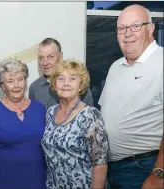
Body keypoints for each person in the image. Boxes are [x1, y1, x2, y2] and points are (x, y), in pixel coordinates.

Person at [99, 4, 163, 189]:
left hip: (144, 168)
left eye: (135, 26)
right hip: (113, 169)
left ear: (150, 29)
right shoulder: (115, 67)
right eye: (121, 28)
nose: (127, 34)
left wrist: (158, 176)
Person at [41, 60, 110, 189]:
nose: (66, 83)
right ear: (54, 85)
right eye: (61, 79)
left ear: (81, 86)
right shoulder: (50, 113)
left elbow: (100, 164)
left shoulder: (90, 115)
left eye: (73, 79)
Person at [0, 59, 47, 189]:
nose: (17, 85)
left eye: (20, 79)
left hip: (38, 179)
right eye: (10, 81)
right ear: (2, 86)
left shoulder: (40, 109)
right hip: (5, 180)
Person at [29, 38, 94, 110]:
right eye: (41, 58)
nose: (45, 63)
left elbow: (90, 114)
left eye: (51, 57)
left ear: (60, 57)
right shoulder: (34, 88)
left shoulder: (78, 83)